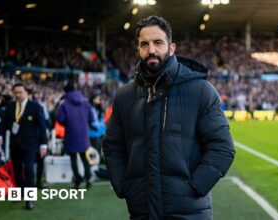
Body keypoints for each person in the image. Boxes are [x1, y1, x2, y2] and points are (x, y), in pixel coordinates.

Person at [103, 16, 235, 220]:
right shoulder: (125, 96)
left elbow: (222, 148)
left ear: (171, 48)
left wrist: (194, 187)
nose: (151, 50)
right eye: (144, 44)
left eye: (158, 43)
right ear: (138, 49)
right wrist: (123, 185)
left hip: (189, 214)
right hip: (142, 213)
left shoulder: (201, 90)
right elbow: (113, 146)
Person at [0, 83, 48, 210]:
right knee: (17, 169)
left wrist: (43, 144)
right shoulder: (10, 106)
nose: (18, 95)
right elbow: (3, 124)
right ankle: (19, 194)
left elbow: (42, 127)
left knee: (29, 169)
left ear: (26, 93)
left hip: (31, 144)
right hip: (15, 144)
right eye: (16, 93)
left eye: (20, 92)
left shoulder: (35, 107)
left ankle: (29, 199)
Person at [56, 81, 93, 189]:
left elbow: (60, 119)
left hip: (71, 133)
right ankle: (88, 178)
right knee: (84, 157)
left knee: (73, 158)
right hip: (83, 134)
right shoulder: (85, 101)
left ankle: (77, 180)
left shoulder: (64, 103)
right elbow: (91, 118)